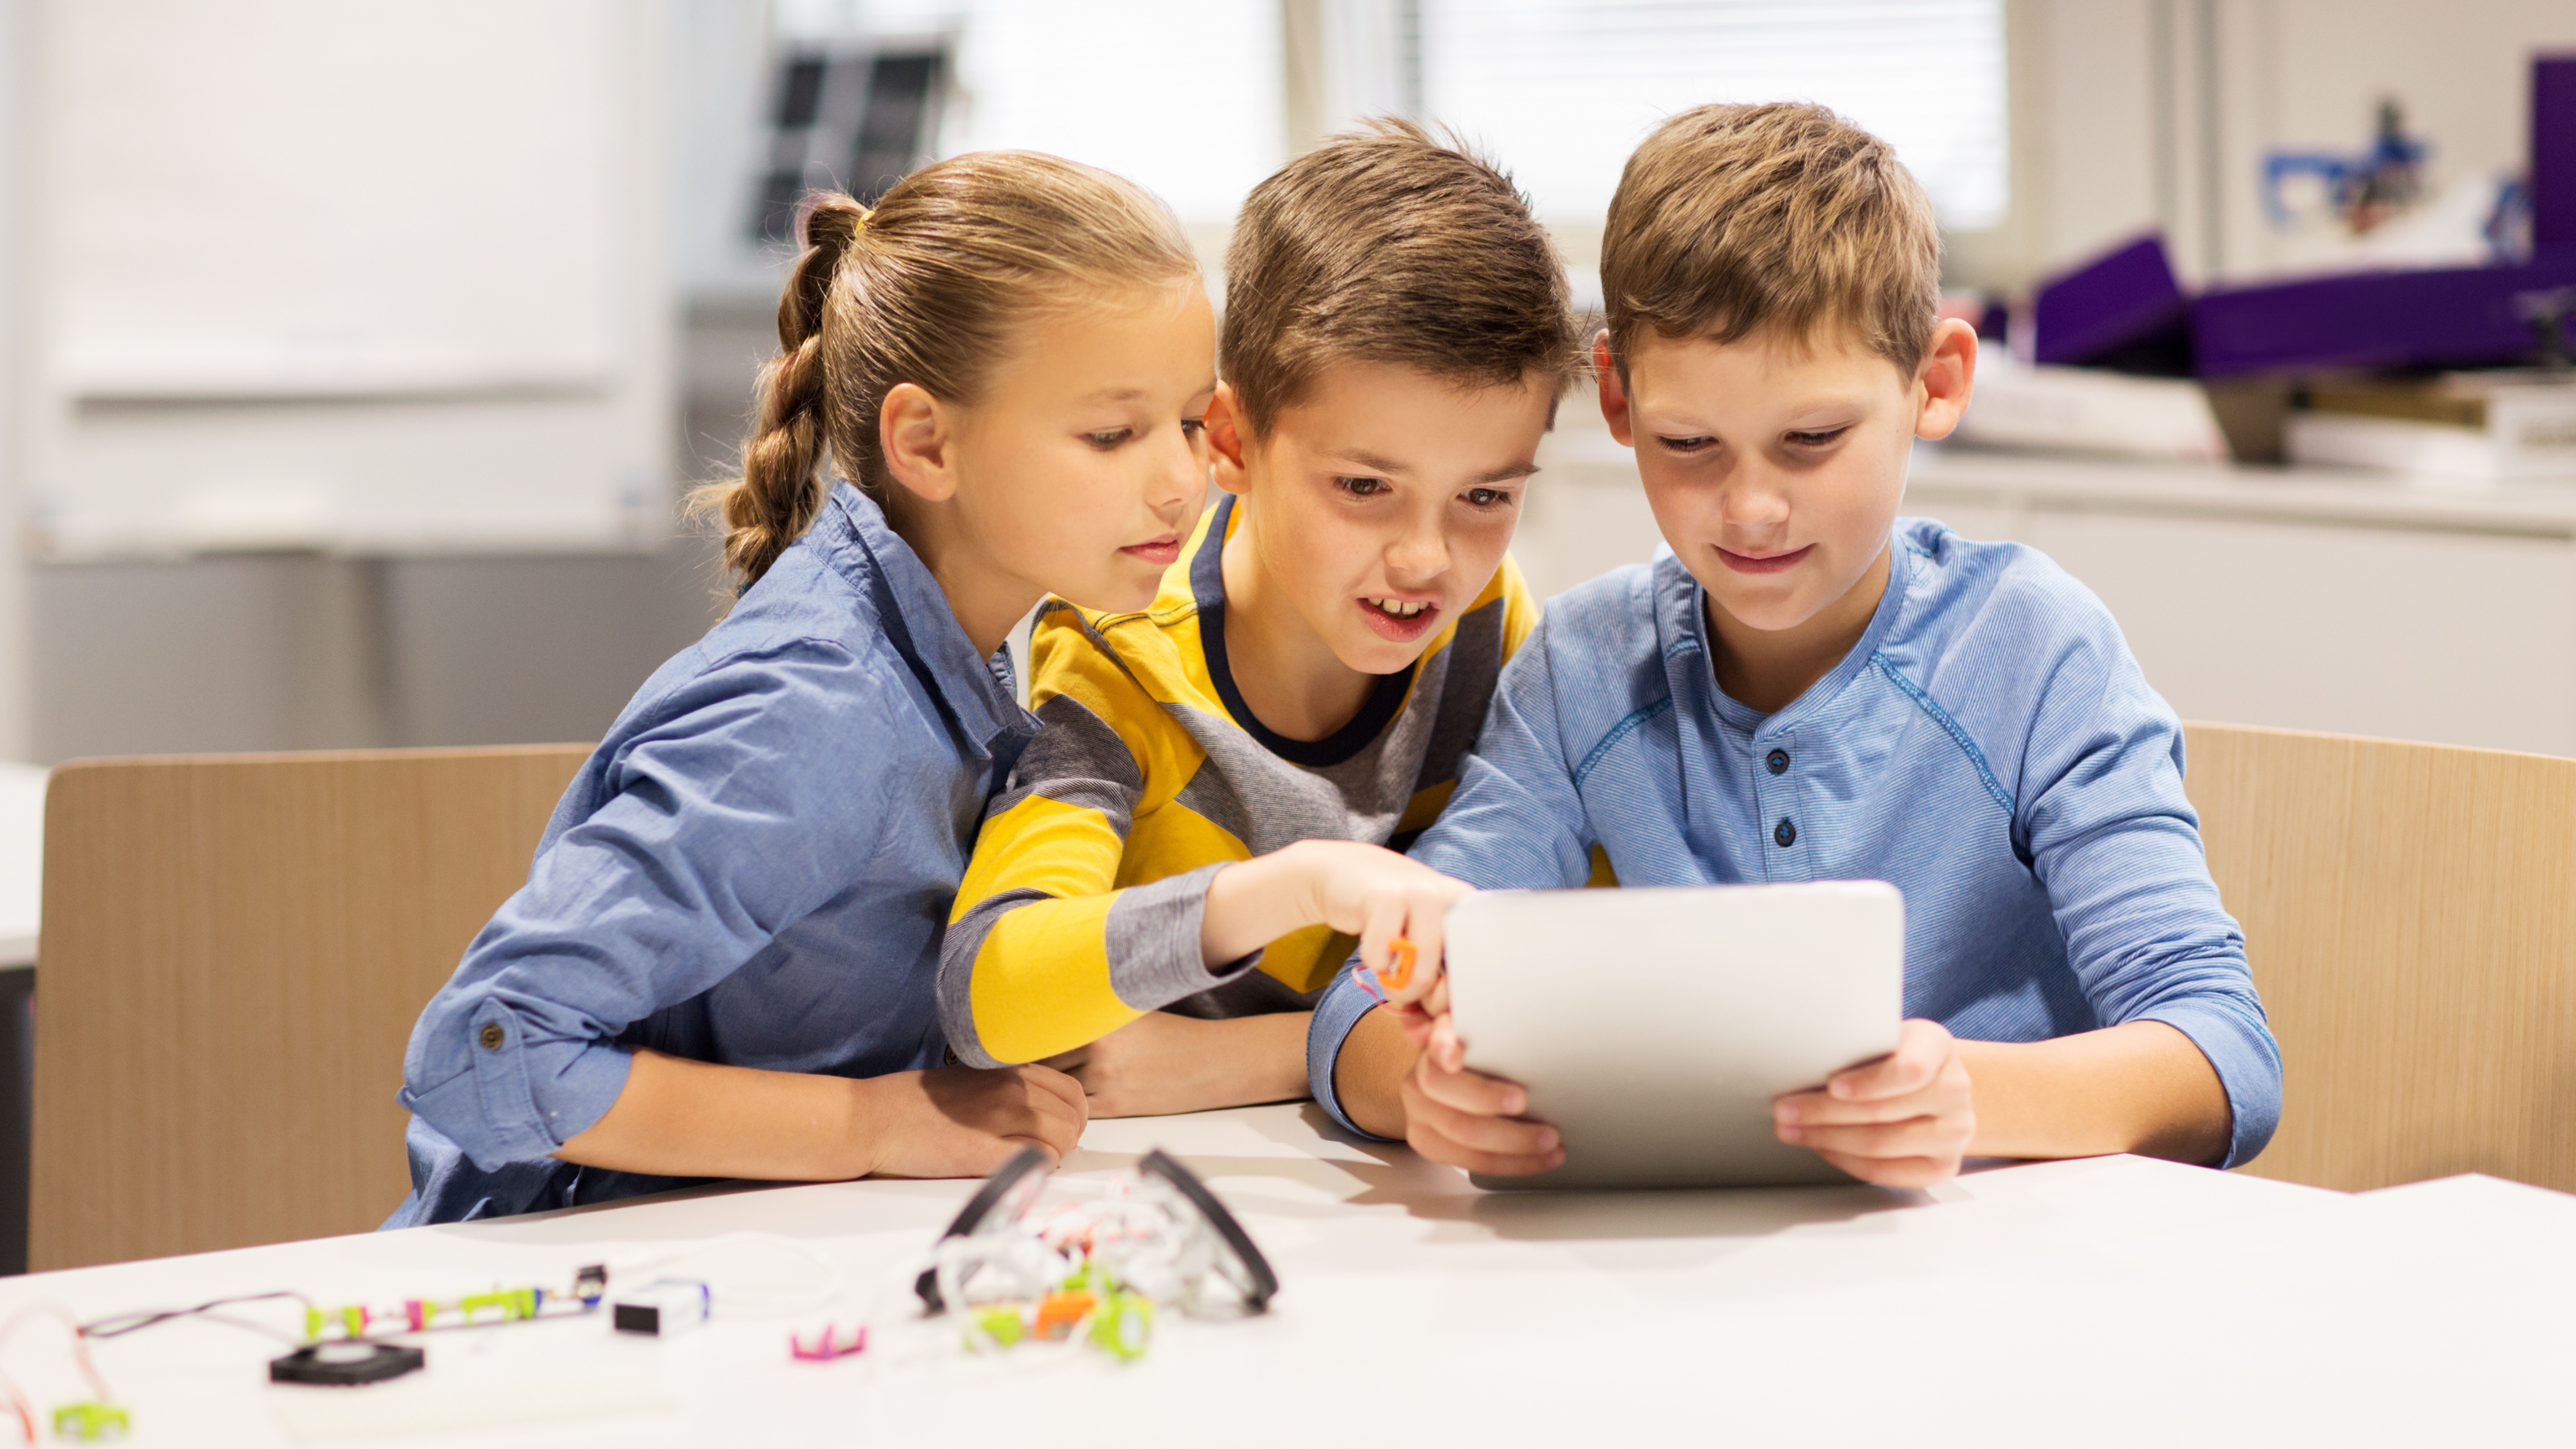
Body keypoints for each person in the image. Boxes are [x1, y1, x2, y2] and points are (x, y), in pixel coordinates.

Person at [1312, 103, 2282, 1188]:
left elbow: (2223, 1056)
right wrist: (1419, 1085)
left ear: (1938, 381)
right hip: (1698, 1279)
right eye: (1690, 444)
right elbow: (1366, 998)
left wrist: (1968, 1098)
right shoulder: (1582, 669)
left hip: (2009, 1260)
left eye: (1812, 440)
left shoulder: (2032, 649)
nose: (1753, 508)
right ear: (1620, 401)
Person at [386, 151, 1220, 1224]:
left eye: (1192, 422)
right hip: (581, 1279)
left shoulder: (984, 638)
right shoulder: (820, 711)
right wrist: (866, 1126)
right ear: (926, 442)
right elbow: (485, 1049)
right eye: (1113, 434)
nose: (1182, 479)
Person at [934, 121, 1577, 1117]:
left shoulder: (1488, 619)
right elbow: (989, 993)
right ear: (1232, 444)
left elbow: (1567, 940)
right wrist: (1307, 883)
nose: (1426, 557)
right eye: (1365, 486)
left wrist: (1259, 1055)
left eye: (1486, 497)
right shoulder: (1116, 650)